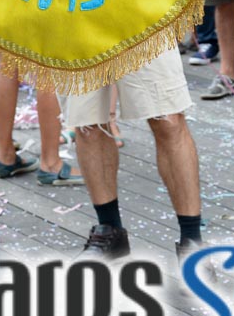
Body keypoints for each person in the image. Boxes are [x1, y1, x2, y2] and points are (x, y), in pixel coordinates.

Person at [66, 46, 202, 258]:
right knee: (87, 123)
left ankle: (192, 242)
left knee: (168, 119)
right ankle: (109, 230)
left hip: (142, 19)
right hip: (75, 20)